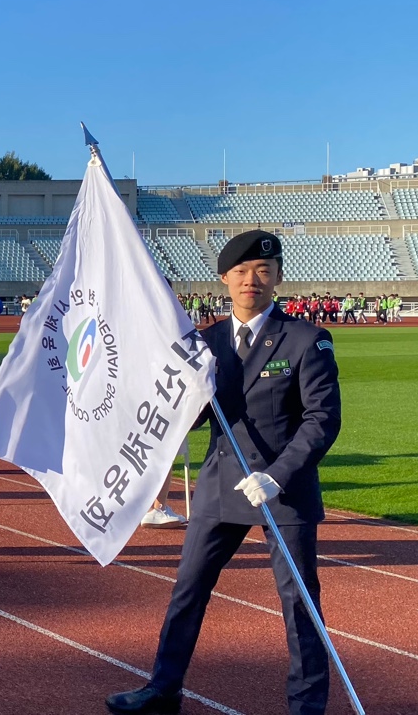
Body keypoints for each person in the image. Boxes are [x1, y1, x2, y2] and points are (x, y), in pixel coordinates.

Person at [107, 230, 341, 715]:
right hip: (222, 482)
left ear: (277, 277)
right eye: (240, 272)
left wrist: (278, 474)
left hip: (283, 488)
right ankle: (163, 689)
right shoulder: (206, 342)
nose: (251, 280)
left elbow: (322, 419)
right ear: (224, 280)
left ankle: (307, 704)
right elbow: (189, 416)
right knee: (188, 589)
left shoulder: (307, 339)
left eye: (262, 271)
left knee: (299, 601)